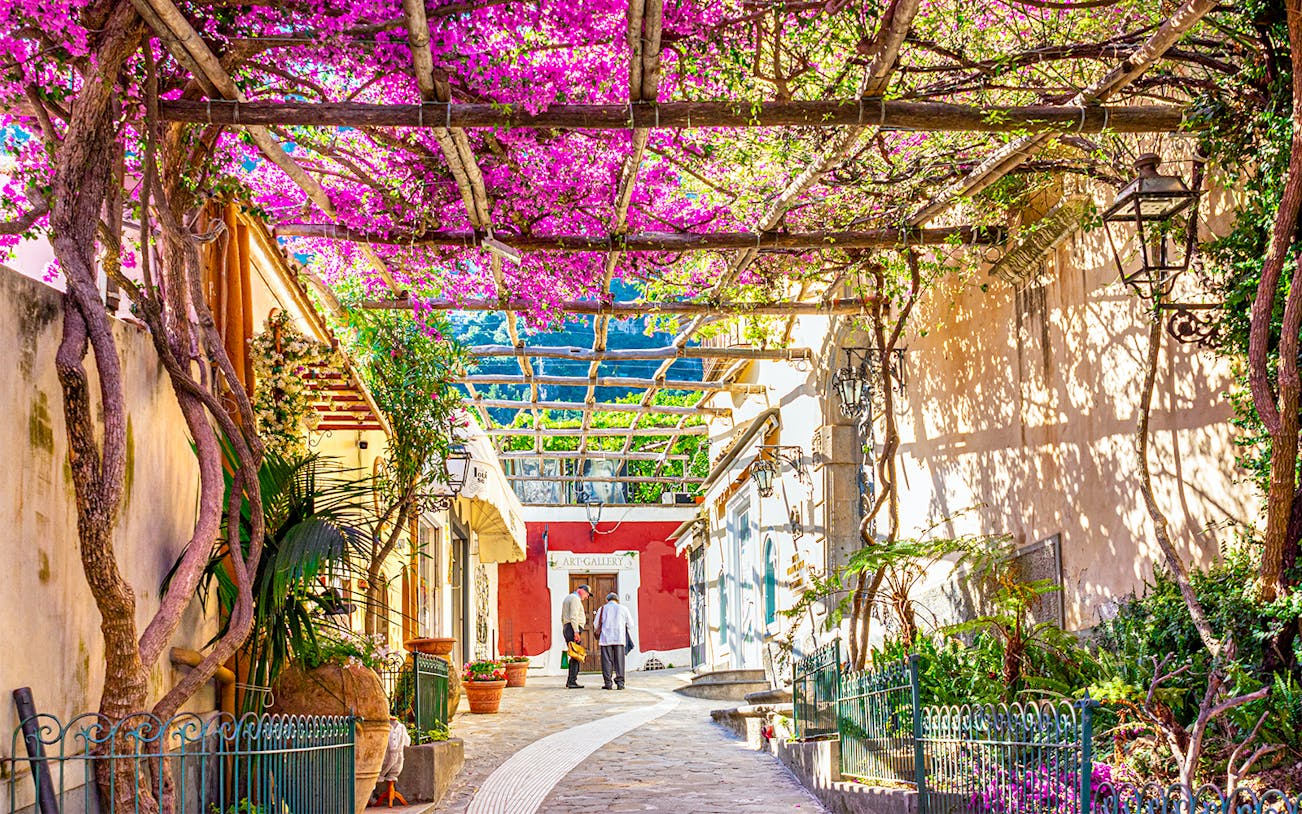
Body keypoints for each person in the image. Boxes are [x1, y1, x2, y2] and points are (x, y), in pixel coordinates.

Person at [594, 591, 634, 690]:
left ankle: (608, 683)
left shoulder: (602, 609)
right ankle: (620, 683)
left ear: (607, 600)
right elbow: (631, 624)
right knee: (619, 661)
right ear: (617, 600)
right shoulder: (623, 608)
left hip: (606, 638)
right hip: (619, 638)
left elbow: (595, 624)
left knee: (607, 661)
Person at [561, 583, 590, 688]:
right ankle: (572, 681)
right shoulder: (575, 599)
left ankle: (571, 680)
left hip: (568, 627)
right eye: (586, 594)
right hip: (573, 629)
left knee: (574, 655)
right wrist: (576, 631)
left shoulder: (568, 598)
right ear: (581, 590)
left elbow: (563, 617)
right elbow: (574, 616)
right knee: (576, 656)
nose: (586, 597)